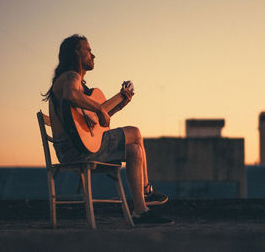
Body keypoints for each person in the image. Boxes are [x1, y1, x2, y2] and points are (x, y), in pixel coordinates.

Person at [42, 34, 173, 225]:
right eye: (88, 50)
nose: (93, 55)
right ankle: (147, 191)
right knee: (135, 132)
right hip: (76, 151)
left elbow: (96, 122)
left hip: (76, 150)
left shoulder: (79, 87)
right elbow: (72, 95)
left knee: (134, 150)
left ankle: (140, 211)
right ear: (75, 53)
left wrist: (120, 102)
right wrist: (100, 108)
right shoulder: (71, 77)